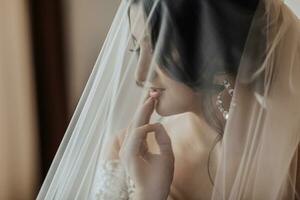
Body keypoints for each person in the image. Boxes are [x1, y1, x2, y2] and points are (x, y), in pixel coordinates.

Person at [37, 0, 300, 199]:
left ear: (208, 48)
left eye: (158, 49)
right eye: (137, 48)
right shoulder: (125, 152)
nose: (140, 74)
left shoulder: (291, 158)